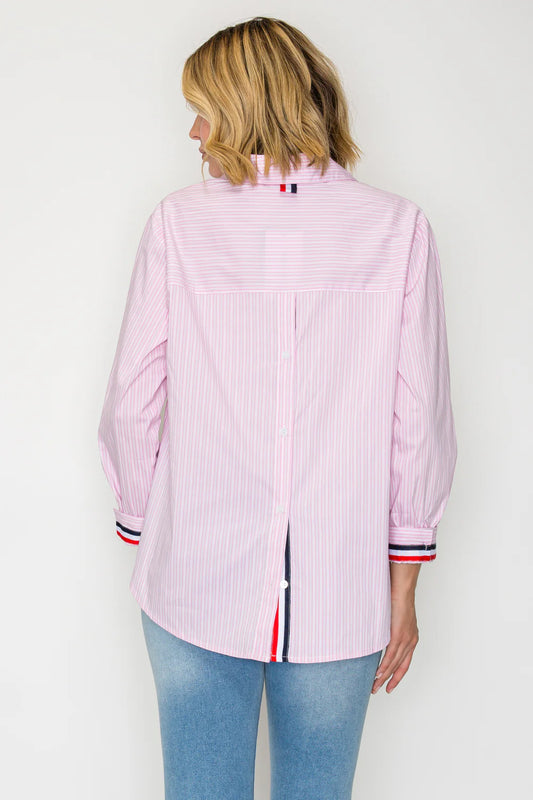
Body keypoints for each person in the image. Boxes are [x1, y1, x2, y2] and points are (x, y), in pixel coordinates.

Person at [97, 15, 457, 800]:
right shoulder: (397, 229)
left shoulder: (178, 223)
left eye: (202, 109)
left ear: (244, 107)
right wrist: (403, 587)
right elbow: (420, 421)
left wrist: (143, 524)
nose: (194, 132)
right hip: (343, 587)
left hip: (190, 579)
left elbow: (130, 402)